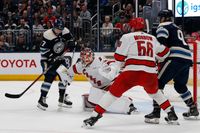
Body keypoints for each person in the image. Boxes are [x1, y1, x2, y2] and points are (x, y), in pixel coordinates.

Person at [82, 17, 179, 127]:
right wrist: (153, 57)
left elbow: (119, 57)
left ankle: (94, 117)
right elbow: (165, 53)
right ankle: (171, 114)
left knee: (112, 94)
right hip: (150, 73)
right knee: (156, 93)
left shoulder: (127, 36)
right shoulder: (152, 38)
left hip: (132, 72)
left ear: (132, 27)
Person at [144, 9, 199, 124]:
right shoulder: (176, 27)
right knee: (180, 86)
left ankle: (156, 112)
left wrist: (157, 58)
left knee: (157, 83)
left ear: (163, 18)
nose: (159, 20)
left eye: (160, 18)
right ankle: (193, 109)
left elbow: (162, 47)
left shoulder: (162, 27)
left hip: (175, 58)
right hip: (187, 58)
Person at [56, 47, 137, 114]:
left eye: (88, 57)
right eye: (83, 58)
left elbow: (111, 62)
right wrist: (64, 75)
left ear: (92, 56)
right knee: (89, 102)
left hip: (111, 84)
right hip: (98, 88)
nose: (86, 59)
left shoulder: (99, 60)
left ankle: (129, 105)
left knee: (110, 98)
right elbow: (68, 72)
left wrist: (112, 69)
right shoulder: (80, 65)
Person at [37, 18, 75, 111]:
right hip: (47, 59)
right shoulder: (47, 35)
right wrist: (52, 57)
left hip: (60, 58)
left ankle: (62, 98)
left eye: (61, 29)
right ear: (54, 27)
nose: (59, 31)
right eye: (58, 29)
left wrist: (71, 42)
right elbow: (43, 50)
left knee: (64, 77)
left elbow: (71, 38)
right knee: (49, 77)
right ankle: (42, 99)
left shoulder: (65, 31)